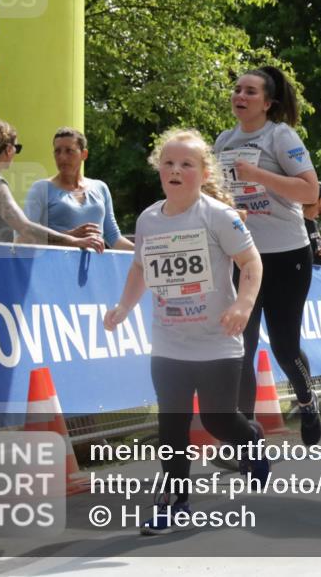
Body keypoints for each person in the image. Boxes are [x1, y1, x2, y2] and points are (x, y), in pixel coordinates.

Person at [103, 128, 267, 534]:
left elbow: (251, 263)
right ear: (159, 170)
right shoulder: (148, 219)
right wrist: (125, 305)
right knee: (172, 424)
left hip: (216, 342)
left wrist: (243, 304)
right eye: (168, 163)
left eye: (186, 164)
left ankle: (251, 439)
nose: (175, 171)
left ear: (203, 172)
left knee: (217, 422)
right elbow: (141, 266)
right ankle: (175, 498)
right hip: (168, 341)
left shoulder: (218, 215)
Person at [213, 66, 321, 445]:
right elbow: (218, 196)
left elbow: (310, 192)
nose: (240, 97)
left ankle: (307, 400)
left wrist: (259, 176)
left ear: (268, 102)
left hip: (287, 255)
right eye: (237, 90)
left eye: (250, 92)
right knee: (240, 345)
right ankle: (244, 436)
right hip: (244, 257)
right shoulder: (223, 141)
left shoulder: (280, 136)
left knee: (284, 346)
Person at [0, 117, 104, 252]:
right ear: (9, 149)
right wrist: (73, 241)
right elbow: (25, 228)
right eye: (17, 148)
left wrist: (66, 236)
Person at [23, 127, 133, 250]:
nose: (62, 157)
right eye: (57, 151)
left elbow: (113, 237)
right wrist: (70, 238)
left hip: (95, 267)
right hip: (55, 267)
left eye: (69, 151)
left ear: (84, 154)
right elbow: (24, 238)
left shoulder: (100, 187)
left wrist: (144, 252)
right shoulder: (40, 188)